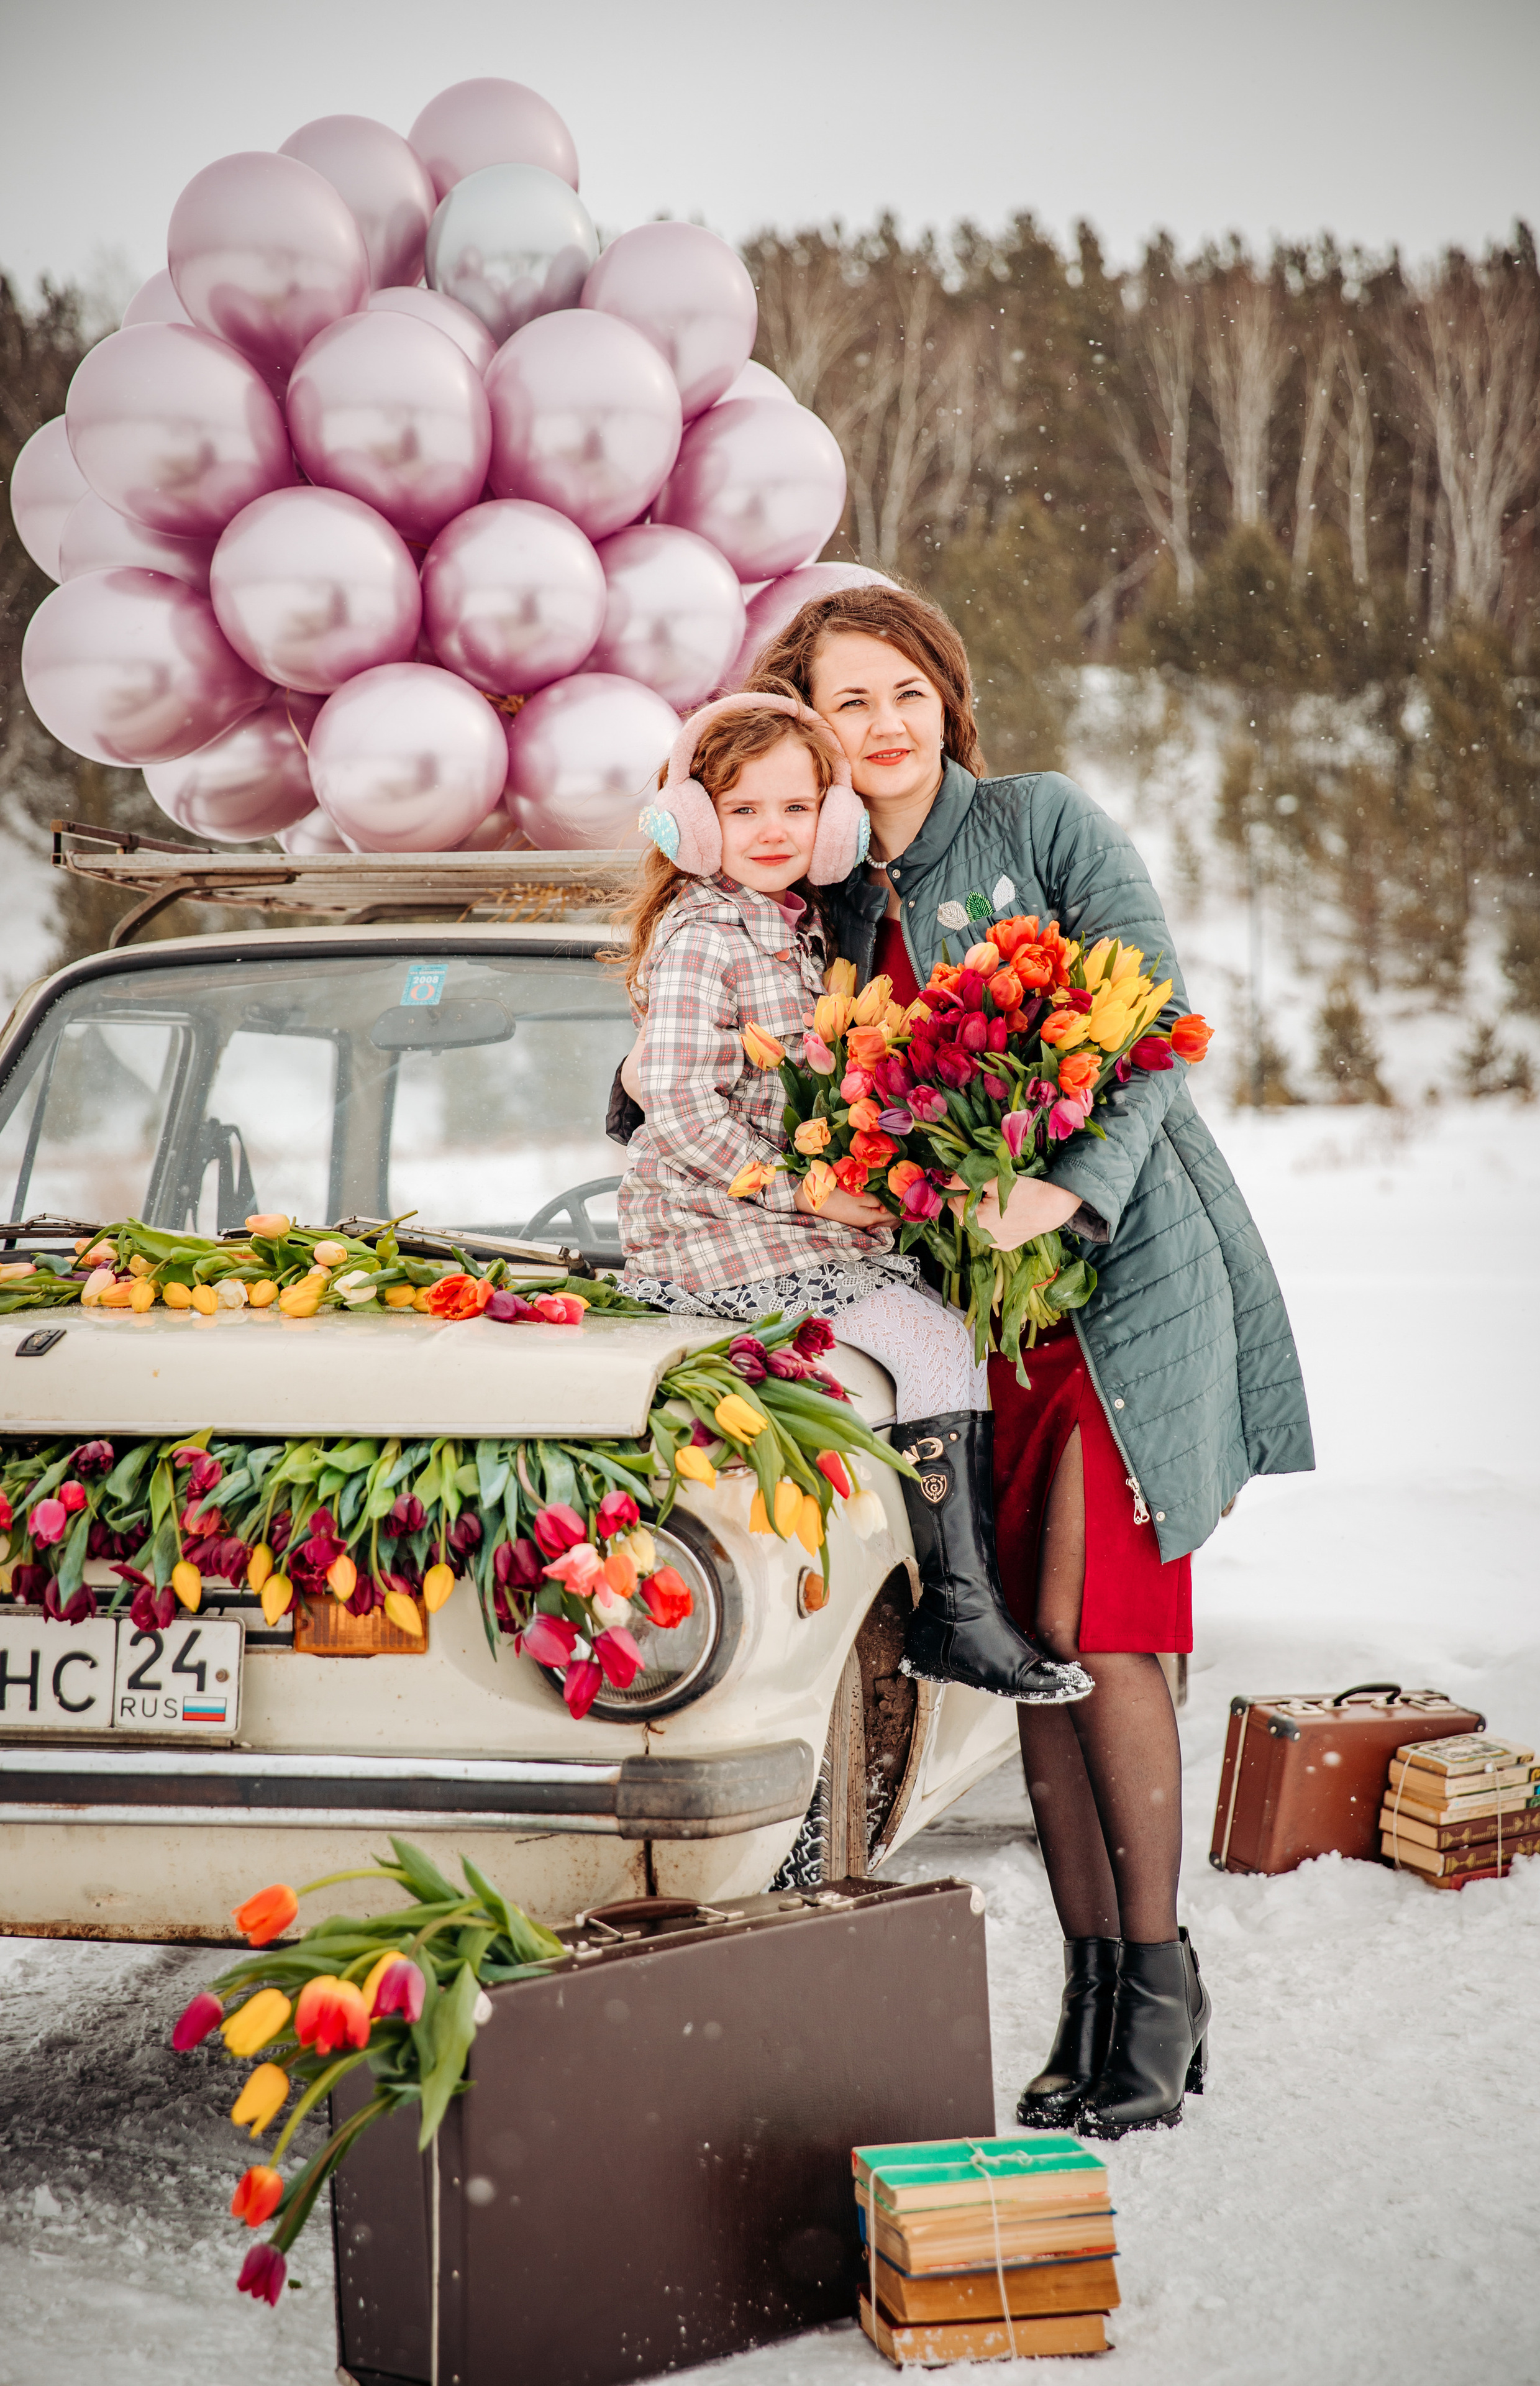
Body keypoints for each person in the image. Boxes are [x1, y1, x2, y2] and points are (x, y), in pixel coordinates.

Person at [742, 583, 1313, 2139]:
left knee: (1101, 1633)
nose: (881, 727)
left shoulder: (1045, 827)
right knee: (1035, 1667)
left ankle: (1159, 1978)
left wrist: (1059, 1188)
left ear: (946, 696)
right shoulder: (830, 900)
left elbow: (1151, 1020)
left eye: (903, 692)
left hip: (1117, 1289)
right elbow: (809, 1085)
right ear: (814, 730)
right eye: (847, 704)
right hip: (966, 1321)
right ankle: (1090, 1992)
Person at [615, 688, 1091, 1708]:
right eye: (743, 812)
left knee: (938, 1332)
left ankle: (963, 1597)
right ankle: (958, 1611)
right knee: (927, 1344)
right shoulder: (707, 931)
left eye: (797, 808)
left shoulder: (784, 925)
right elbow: (676, 1108)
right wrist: (811, 1196)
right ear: (695, 822)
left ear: (833, 822)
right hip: (720, 1231)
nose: (774, 831)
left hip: (777, 1220)